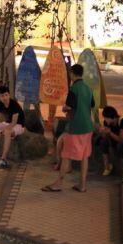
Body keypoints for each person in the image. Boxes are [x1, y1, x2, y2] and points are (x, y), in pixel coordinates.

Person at [43, 64, 94, 192]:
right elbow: (91, 104)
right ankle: (82, 185)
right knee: (84, 156)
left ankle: (58, 183)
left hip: (76, 126)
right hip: (88, 126)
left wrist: (65, 108)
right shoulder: (88, 88)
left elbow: (70, 106)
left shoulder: (74, 89)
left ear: (72, 74)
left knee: (66, 155)